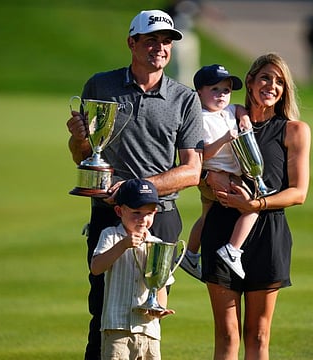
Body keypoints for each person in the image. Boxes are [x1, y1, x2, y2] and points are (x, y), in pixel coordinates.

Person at [66, 9, 203, 360]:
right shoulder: (101, 85)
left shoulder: (185, 98)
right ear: (132, 42)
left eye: (167, 42)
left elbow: (192, 170)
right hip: (109, 213)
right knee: (102, 308)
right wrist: (79, 139)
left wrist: (136, 189)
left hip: (161, 216)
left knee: (150, 311)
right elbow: (84, 155)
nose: (160, 48)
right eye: (151, 40)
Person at [200, 53, 311, 359]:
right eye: (265, 77)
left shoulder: (294, 130)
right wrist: (208, 176)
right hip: (222, 229)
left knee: (259, 336)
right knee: (226, 334)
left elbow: (298, 193)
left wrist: (255, 203)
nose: (271, 86)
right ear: (249, 81)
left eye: (279, 81)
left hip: (268, 234)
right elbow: (193, 160)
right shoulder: (222, 116)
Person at [180, 64, 255, 280]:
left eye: (226, 90)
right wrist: (224, 139)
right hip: (218, 176)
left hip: (224, 175)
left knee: (206, 217)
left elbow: (239, 107)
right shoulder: (200, 119)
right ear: (199, 93)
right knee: (252, 207)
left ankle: (191, 255)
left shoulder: (228, 111)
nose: (221, 95)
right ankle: (232, 249)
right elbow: (204, 155)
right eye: (215, 89)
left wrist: (244, 117)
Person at [90, 179, 175, 360]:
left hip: (148, 329)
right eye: (136, 212)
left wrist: (159, 310)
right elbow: (96, 268)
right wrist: (123, 245)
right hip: (117, 328)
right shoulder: (111, 235)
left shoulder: (157, 245)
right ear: (120, 211)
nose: (143, 219)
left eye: (149, 213)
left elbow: (160, 284)